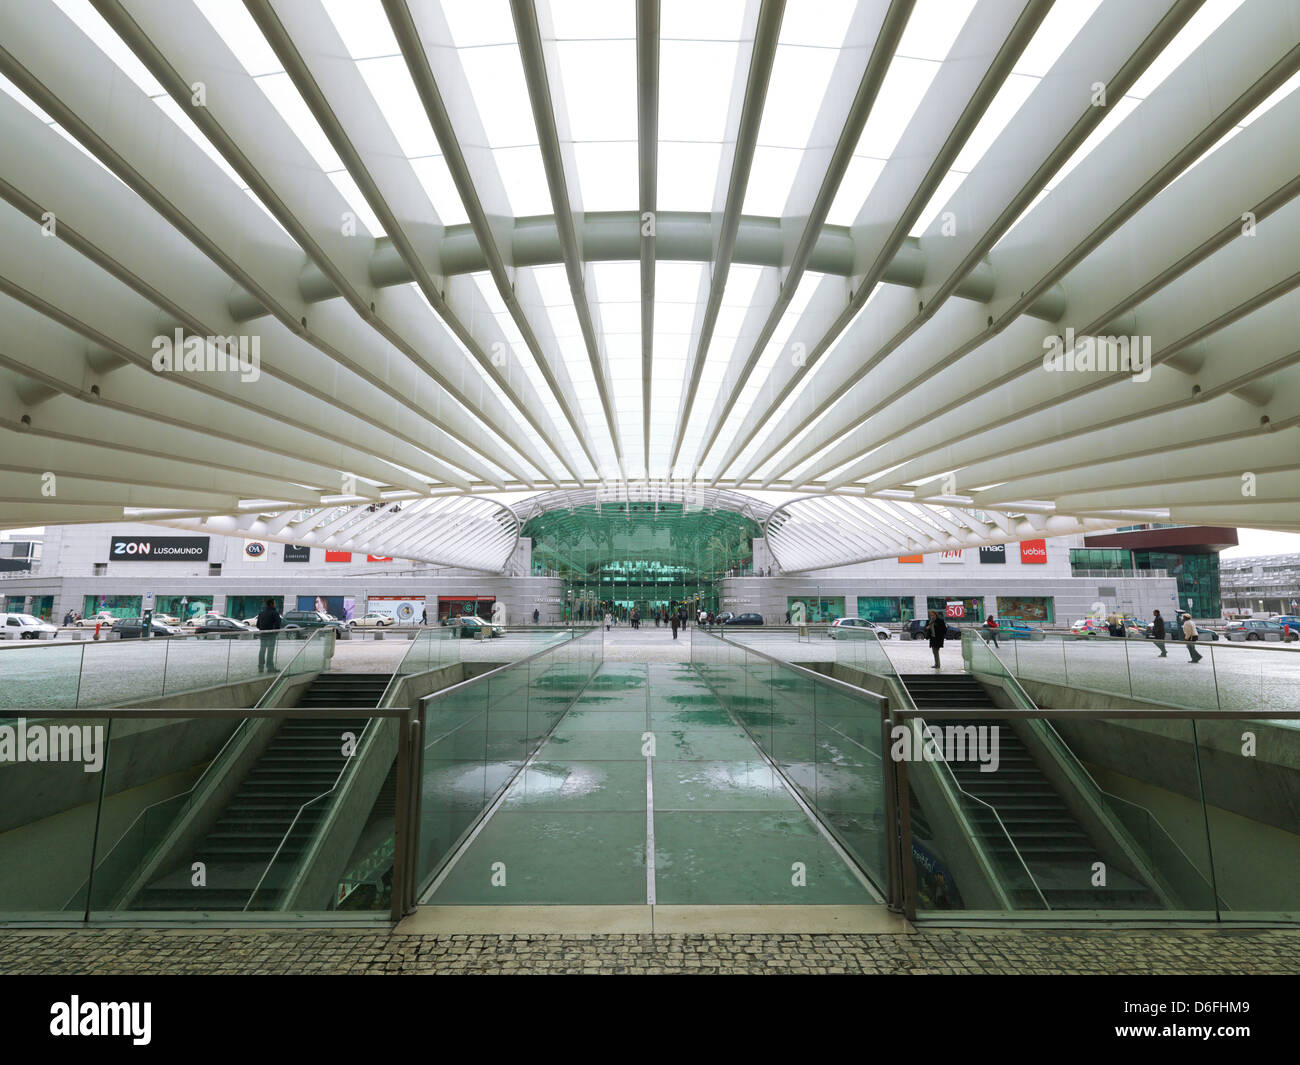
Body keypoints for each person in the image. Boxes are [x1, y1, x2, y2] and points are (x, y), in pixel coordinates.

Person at [256, 598, 281, 672]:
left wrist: (263, 629)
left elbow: (258, 625)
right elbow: (278, 624)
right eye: (274, 603)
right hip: (271, 635)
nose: (275, 604)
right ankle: (270, 667)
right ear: (271, 604)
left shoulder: (261, 613)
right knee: (270, 651)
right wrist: (275, 632)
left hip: (263, 634)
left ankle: (260, 667)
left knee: (262, 650)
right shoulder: (275, 613)